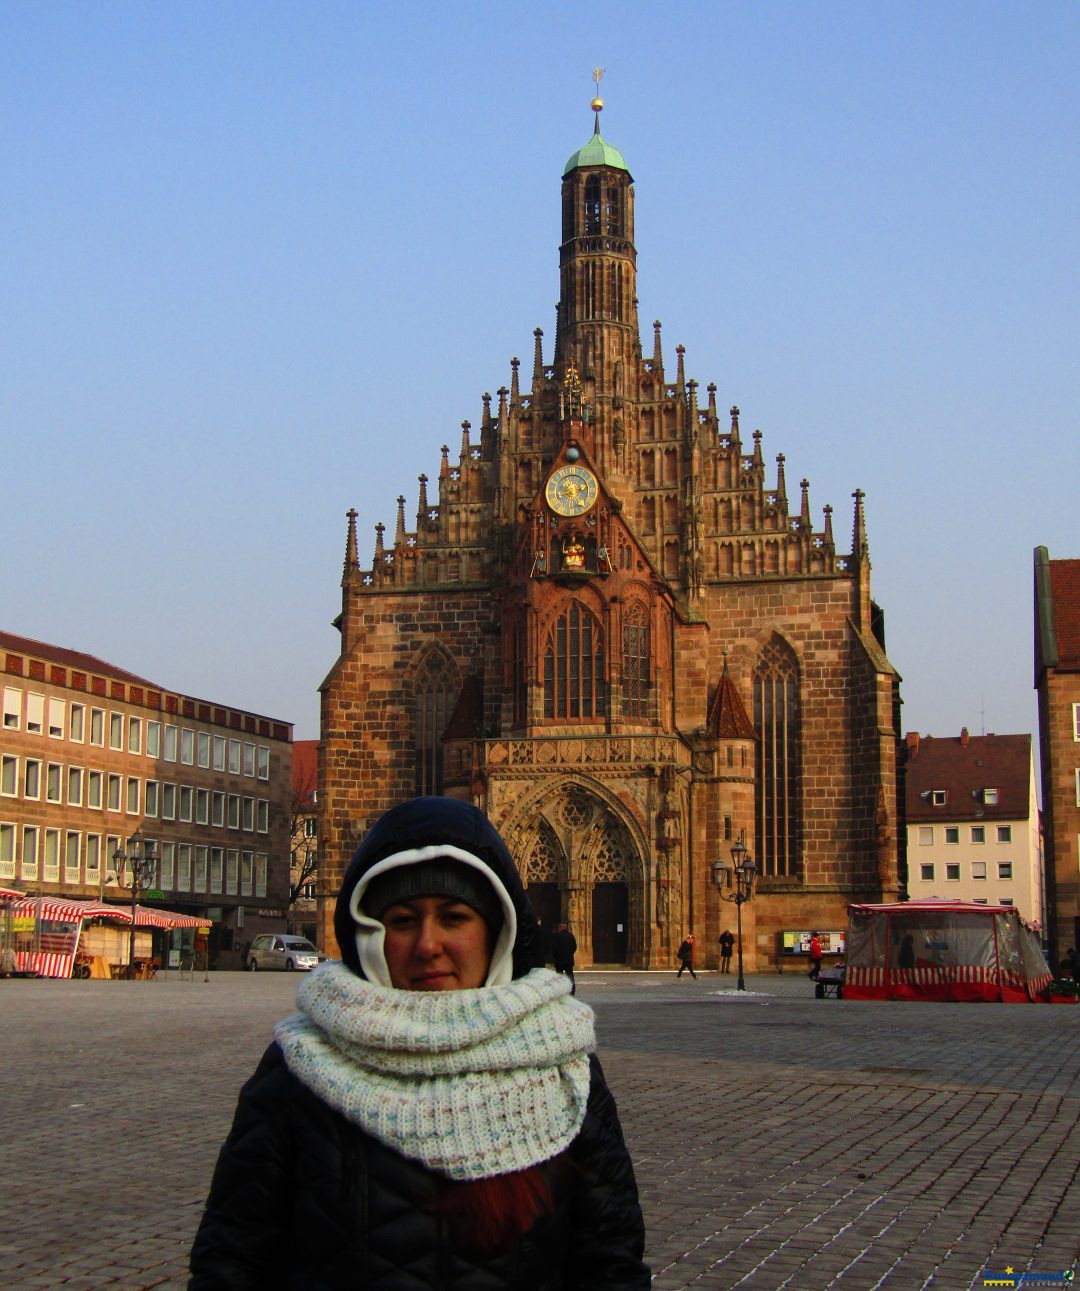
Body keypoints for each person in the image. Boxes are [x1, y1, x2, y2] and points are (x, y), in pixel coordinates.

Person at [189, 797, 648, 1289]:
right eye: (404, 920)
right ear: (369, 934)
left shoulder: (562, 1064)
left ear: (498, 932)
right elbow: (233, 1261)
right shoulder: (301, 1067)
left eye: (454, 917)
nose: (428, 945)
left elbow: (611, 1266)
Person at [552, 921, 577, 995]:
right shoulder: (571, 936)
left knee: (559, 976)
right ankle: (572, 991)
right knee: (570, 975)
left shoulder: (557, 936)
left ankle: (560, 991)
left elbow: (554, 948)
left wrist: (556, 956)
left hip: (559, 961)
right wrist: (570, 954)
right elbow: (574, 947)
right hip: (569, 960)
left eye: (559, 927)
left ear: (561, 928)